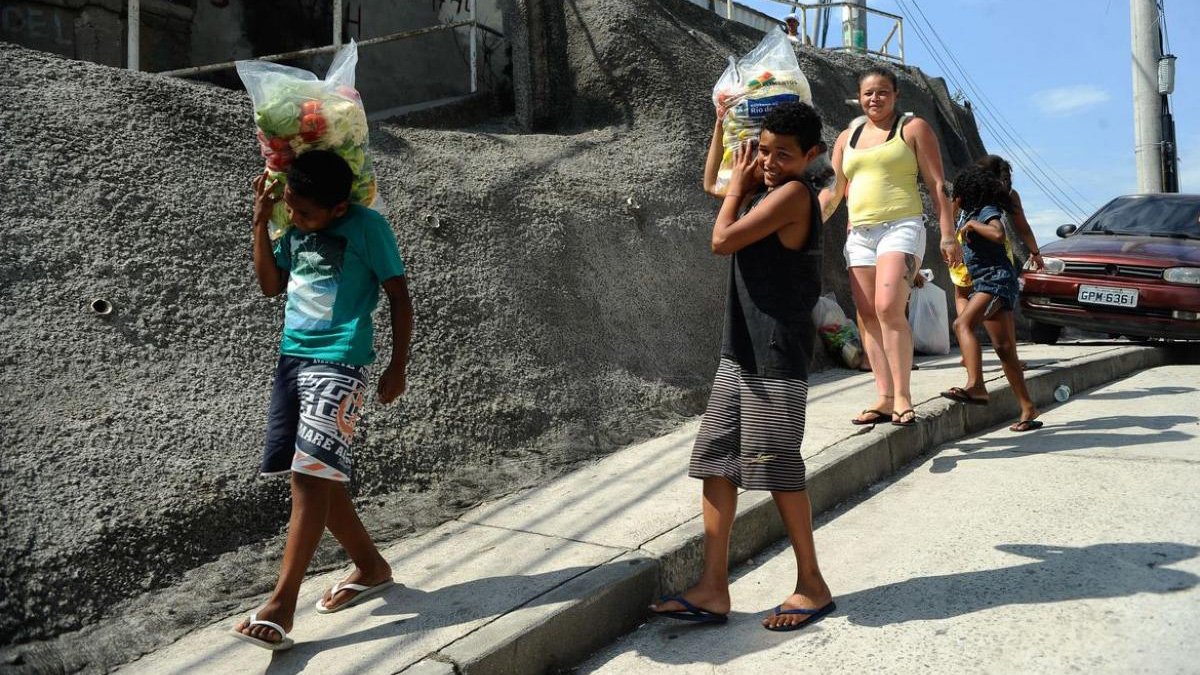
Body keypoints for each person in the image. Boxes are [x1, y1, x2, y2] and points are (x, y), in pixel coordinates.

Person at [651, 102, 834, 632]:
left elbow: (721, 238)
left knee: (777, 465)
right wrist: (720, 128)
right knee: (716, 461)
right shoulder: (761, 190)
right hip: (742, 347)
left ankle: (812, 585)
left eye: (784, 154)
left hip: (775, 349)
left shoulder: (795, 195)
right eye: (766, 149)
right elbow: (713, 181)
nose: (771, 161)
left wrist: (740, 185)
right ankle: (712, 588)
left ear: (811, 157)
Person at [232, 150, 413, 650]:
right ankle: (372, 567)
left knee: (307, 477)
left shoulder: (367, 227)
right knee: (322, 479)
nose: (298, 217)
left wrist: (397, 365)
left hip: (340, 362)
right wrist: (262, 220)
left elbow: (399, 294)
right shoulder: (292, 225)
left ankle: (281, 605)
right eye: (291, 207)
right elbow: (272, 286)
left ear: (338, 209)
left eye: (307, 213)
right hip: (291, 361)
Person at [819, 65, 960, 427]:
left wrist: (947, 234)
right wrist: (803, 225)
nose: (874, 99)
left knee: (887, 308)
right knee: (867, 315)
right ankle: (882, 396)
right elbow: (833, 193)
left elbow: (938, 184)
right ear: (859, 96)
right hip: (861, 234)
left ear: (896, 95)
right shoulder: (847, 137)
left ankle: (902, 397)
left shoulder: (912, 129)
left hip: (902, 227)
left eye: (882, 92)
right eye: (868, 93)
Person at [940, 165, 1041, 432]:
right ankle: (1028, 408)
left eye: (958, 194)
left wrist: (973, 224)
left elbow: (998, 234)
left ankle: (977, 386)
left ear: (968, 193)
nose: (955, 198)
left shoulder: (985, 212)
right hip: (987, 281)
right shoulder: (967, 214)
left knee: (962, 324)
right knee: (1005, 350)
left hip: (995, 281)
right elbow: (951, 222)